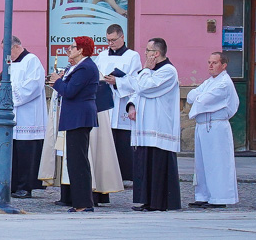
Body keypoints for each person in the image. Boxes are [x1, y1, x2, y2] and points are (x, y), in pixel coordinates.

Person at [117, 37, 181, 211]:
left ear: (156, 53)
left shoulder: (168, 71)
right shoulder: (151, 71)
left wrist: (145, 69)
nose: (144, 54)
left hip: (158, 126)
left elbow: (145, 87)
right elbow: (136, 90)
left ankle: (158, 202)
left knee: (157, 165)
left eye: (147, 51)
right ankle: (146, 200)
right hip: (145, 126)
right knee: (145, 164)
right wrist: (131, 105)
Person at [48, 36, 99, 213]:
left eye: (73, 47)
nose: (69, 49)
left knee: (79, 161)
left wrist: (57, 81)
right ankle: (80, 202)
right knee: (75, 160)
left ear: (82, 50)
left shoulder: (86, 67)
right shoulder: (78, 67)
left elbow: (69, 92)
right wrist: (60, 80)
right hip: (75, 117)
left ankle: (84, 203)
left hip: (79, 117)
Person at [187, 52, 239, 209]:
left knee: (217, 162)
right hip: (203, 125)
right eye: (209, 62)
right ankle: (203, 195)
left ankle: (219, 197)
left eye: (214, 63)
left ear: (223, 65)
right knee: (202, 163)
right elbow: (190, 96)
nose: (210, 65)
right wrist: (199, 95)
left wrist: (199, 95)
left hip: (216, 126)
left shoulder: (224, 83)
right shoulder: (210, 81)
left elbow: (203, 101)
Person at [0, 36, 47, 198]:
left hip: (28, 117)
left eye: (7, 51)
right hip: (14, 116)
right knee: (14, 153)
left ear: (17, 47)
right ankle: (13, 184)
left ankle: (26, 186)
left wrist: (10, 91)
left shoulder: (32, 60)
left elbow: (33, 85)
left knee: (27, 153)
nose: (6, 55)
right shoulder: (10, 63)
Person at [97, 24, 142, 181]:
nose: (111, 43)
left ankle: (125, 175)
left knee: (122, 140)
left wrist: (117, 81)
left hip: (122, 102)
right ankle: (107, 175)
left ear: (122, 37)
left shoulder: (132, 56)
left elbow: (136, 80)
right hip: (105, 102)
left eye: (114, 40)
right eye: (108, 40)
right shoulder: (102, 56)